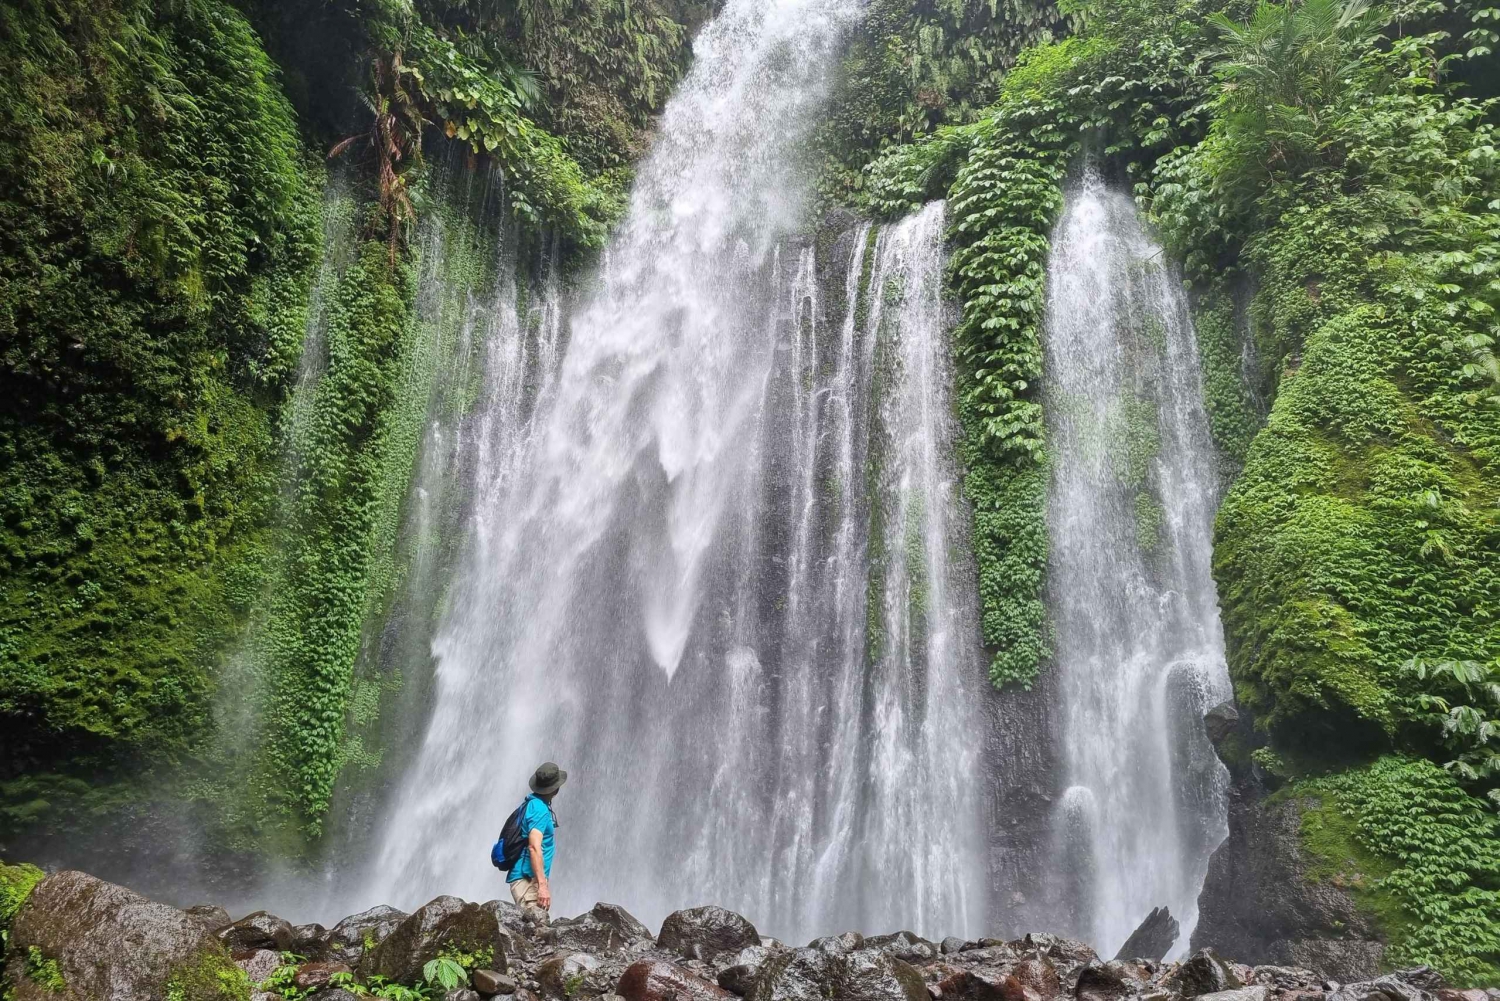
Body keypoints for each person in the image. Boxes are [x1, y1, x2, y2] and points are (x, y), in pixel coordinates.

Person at [508, 761, 566, 914]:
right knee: (536, 931)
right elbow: (534, 847)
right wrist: (542, 886)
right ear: (556, 788)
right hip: (528, 880)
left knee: (535, 930)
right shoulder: (539, 809)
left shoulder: (532, 804)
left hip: (527, 878)